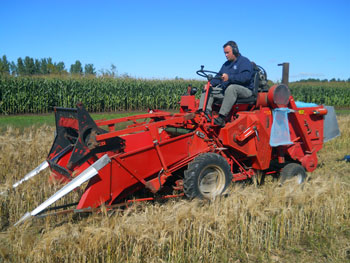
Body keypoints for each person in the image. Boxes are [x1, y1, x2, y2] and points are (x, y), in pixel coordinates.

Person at [198, 41, 255, 126]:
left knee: (231, 88)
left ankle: (222, 118)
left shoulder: (244, 62)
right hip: (227, 91)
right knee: (208, 89)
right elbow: (218, 76)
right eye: (225, 53)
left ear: (235, 51)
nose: (226, 55)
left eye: (227, 53)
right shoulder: (226, 65)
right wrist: (211, 84)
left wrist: (230, 77)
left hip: (245, 90)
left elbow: (245, 77)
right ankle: (204, 113)